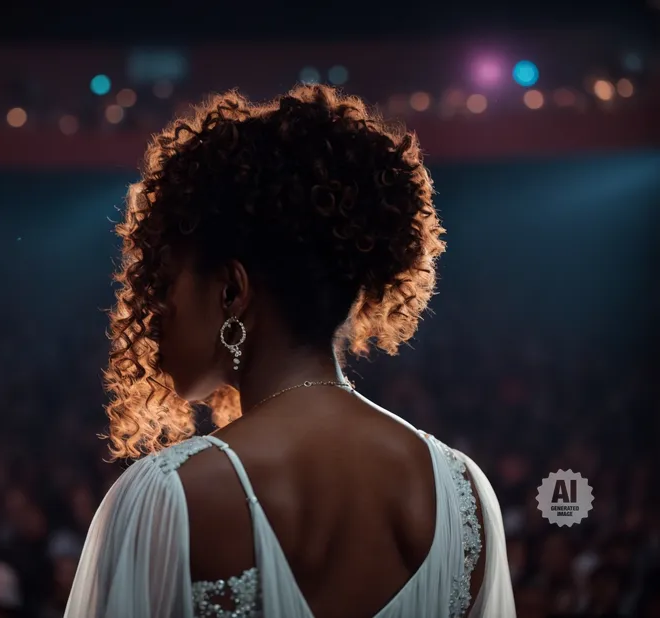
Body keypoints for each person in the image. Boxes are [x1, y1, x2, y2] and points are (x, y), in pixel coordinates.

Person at [64, 84, 515, 617]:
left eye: (163, 283)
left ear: (231, 291)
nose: (154, 308)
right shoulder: (463, 495)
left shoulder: (172, 497)